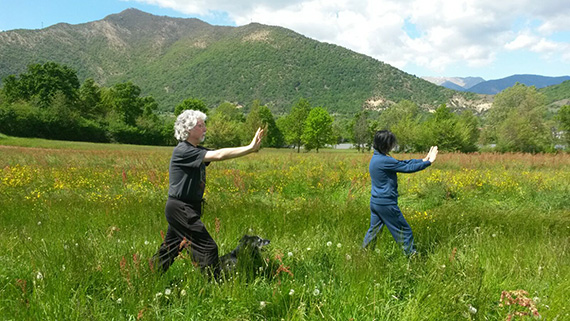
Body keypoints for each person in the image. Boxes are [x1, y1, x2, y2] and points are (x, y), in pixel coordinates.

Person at [151, 109, 264, 275]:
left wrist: (250, 149)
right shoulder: (184, 151)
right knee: (207, 248)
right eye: (200, 125)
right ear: (188, 129)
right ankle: (212, 284)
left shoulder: (193, 149)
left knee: (170, 248)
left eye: (204, 125)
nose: (205, 129)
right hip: (181, 208)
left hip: (184, 208)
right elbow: (218, 155)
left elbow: (217, 153)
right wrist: (250, 148)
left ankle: (149, 276)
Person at [362, 130, 438, 256]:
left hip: (376, 202)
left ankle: (363, 254)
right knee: (404, 231)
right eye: (391, 144)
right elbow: (407, 168)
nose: (393, 146)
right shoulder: (384, 160)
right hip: (386, 203)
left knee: (373, 231)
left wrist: (423, 159)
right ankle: (411, 258)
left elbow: (402, 163)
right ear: (385, 145)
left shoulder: (377, 158)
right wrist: (429, 162)